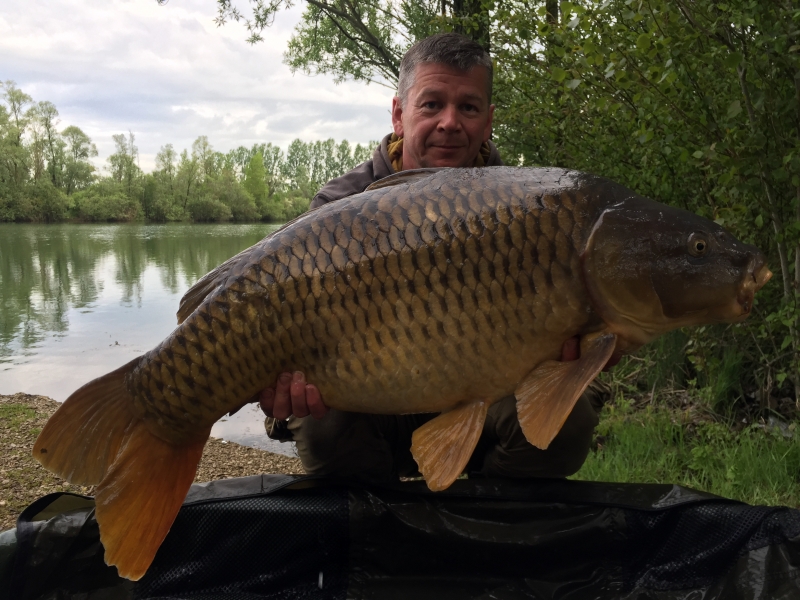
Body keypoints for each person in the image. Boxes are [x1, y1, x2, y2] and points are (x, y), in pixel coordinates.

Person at [259, 32, 611, 482]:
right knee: (321, 423)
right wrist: (277, 390)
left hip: (486, 395)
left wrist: (580, 356)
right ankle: (376, 527)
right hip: (372, 401)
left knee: (570, 417)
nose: (450, 122)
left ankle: (487, 524)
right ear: (399, 114)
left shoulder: (531, 210)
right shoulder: (338, 209)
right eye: (431, 105)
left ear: (488, 121)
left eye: (468, 107)